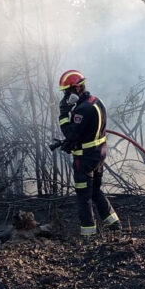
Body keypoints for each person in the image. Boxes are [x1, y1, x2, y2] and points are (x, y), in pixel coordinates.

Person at [57, 69, 121, 237]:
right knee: (95, 191)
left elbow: (71, 133)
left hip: (85, 158)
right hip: (98, 154)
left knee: (83, 195)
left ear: (77, 88)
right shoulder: (95, 101)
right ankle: (114, 223)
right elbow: (87, 132)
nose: (65, 96)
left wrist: (63, 115)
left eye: (67, 91)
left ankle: (88, 233)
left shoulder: (82, 110)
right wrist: (70, 143)